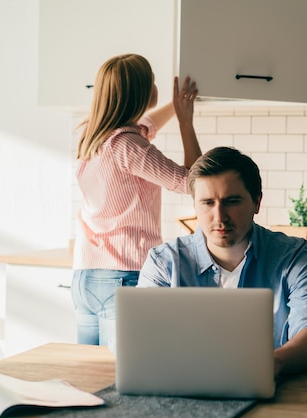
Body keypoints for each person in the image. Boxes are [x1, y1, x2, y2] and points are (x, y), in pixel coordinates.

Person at [138, 146, 307, 377]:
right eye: (208, 203)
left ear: (256, 203)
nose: (219, 217)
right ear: (195, 205)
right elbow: (133, 336)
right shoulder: (164, 263)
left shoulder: (294, 257)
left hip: (272, 389)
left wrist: (270, 366)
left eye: (232, 201)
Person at [72, 53, 202, 347]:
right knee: (124, 375)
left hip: (85, 277)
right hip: (124, 275)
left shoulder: (92, 137)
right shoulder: (129, 146)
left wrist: (178, 104)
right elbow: (191, 182)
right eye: (152, 80)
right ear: (142, 92)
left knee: (89, 375)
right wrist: (185, 122)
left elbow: (145, 124)